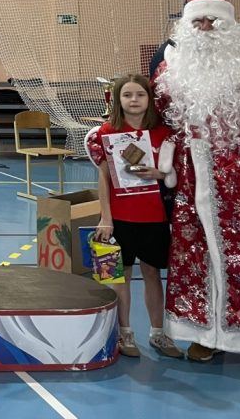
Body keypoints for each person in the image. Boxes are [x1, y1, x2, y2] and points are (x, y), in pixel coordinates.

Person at [154, 0, 240, 361]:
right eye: (198, 21)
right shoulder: (169, 67)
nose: (205, 28)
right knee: (193, 251)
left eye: (213, 20)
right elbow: (151, 116)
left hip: (236, 178)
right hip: (189, 177)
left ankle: (236, 332)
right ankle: (203, 334)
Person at [84, 74, 183, 360]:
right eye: (127, 95)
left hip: (155, 217)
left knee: (152, 274)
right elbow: (103, 179)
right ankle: (124, 332)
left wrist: (159, 174)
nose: (134, 100)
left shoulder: (163, 133)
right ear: (118, 100)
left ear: (149, 99)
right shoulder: (106, 133)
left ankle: (158, 333)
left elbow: (174, 174)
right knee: (121, 275)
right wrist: (106, 218)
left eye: (140, 94)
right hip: (121, 218)